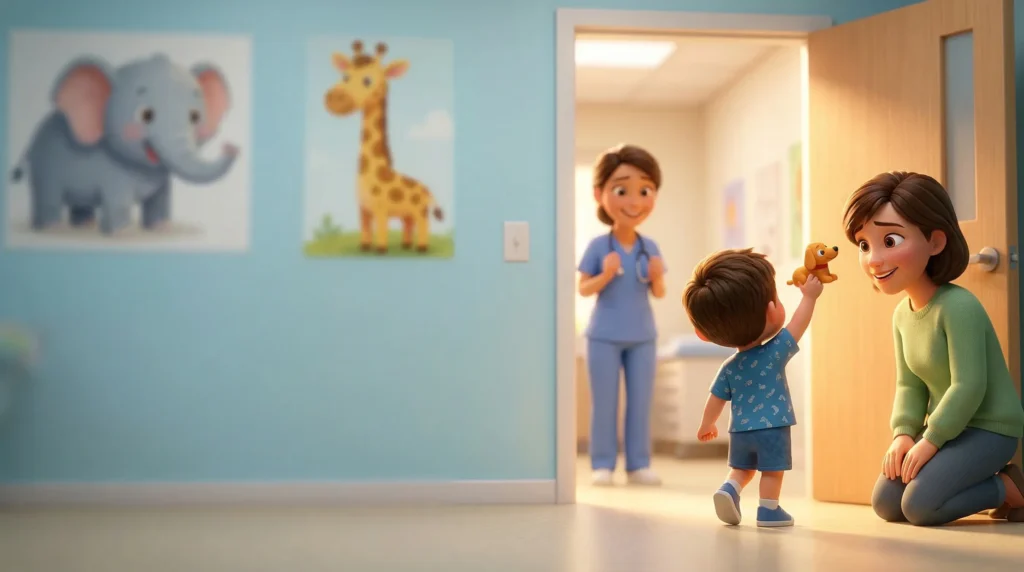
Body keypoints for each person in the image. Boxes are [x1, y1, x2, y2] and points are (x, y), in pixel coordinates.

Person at [842, 171, 1024, 527]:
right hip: (947, 428)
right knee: (887, 503)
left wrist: (932, 441)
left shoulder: (960, 307)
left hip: (990, 429)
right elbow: (909, 386)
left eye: (890, 241)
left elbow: (969, 386)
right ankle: (970, 478)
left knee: (920, 507)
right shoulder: (901, 315)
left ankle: (1007, 488)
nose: (874, 259)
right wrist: (904, 434)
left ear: (935, 242)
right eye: (865, 245)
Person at [683, 249, 823, 527]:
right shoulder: (775, 352)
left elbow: (716, 399)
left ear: (705, 334)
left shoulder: (729, 366)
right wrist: (809, 297)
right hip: (772, 426)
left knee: (742, 468)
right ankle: (769, 510)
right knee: (772, 470)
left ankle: (729, 489)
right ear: (772, 312)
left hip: (740, 429)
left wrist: (707, 424)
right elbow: (799, 323)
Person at [577, 144, 667, 487]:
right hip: (603, 336)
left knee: (641, 403)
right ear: (600, 194)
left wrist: (657, 276)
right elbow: (584, 289)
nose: (634, 201)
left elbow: (659, 293)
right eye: (622, 190)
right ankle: (602, 464)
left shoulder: (650, 248)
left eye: (645, 190)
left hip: (642, 335)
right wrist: (605, 274)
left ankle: (638, 464)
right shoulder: (599, 247)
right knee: (605, 403)